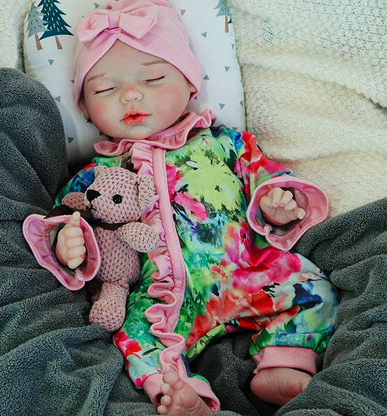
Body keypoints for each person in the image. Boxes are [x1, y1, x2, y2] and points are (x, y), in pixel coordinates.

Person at [25, 1, 339, 414]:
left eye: (154, 78)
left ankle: (284, 361)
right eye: (104, 89)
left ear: (191, 86)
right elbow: (69, 212)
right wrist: (69, 238)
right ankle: (180, 392)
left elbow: (266, 176)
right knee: (133, 340)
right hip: (163, 296)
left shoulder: (226, 143)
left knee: (314, 289)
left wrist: (277, 204)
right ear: (84, 108)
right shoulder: (100, 170)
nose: (131, 95)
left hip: (246, 272)